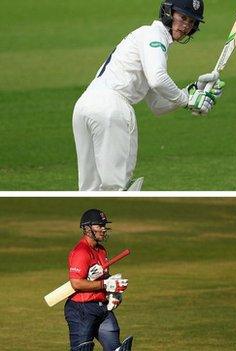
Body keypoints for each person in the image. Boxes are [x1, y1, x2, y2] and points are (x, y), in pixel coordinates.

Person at [72, 0, 225, 191]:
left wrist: (193, 89)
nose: (186, 25)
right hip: (112, 108)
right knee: (117, 188)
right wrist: (187, 101)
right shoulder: (155, 36)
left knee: (90, 189)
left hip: (85, 106)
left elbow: (157, 106)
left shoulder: (145, 38)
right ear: (169, 12)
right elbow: (158, 79)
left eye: (192, 22)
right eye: (183, 17)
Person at [65, 209, 132, 351]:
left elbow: (105, 278)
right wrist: (105, 284)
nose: (103, 229)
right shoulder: (81, 251)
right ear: (87, 228)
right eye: (99, 226)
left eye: (104, 226)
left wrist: (113, 293)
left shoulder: (101, 250)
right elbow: (76, 283)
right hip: (81, 309)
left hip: (102, 307)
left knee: (116, 349)